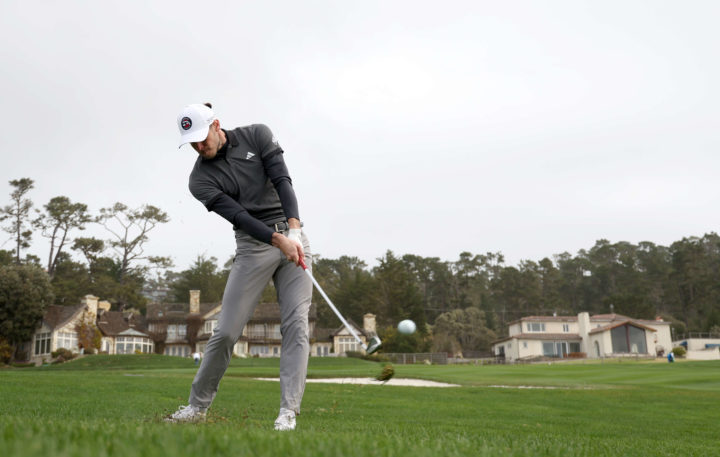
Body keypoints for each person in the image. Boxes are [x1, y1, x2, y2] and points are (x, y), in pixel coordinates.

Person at [166, 103, 312, 431]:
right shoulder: (199, 180)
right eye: (192, 143)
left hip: (292, 233)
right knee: (226, 332)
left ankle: (288, 412)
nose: (199, 147)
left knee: (297, 324)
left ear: (217, 125)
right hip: (253, 244)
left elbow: (283, 180)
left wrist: (294, 231)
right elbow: (240, 217)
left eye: (203, 138)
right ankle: (196, 407)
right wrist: (278, 241)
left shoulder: (257, 135)